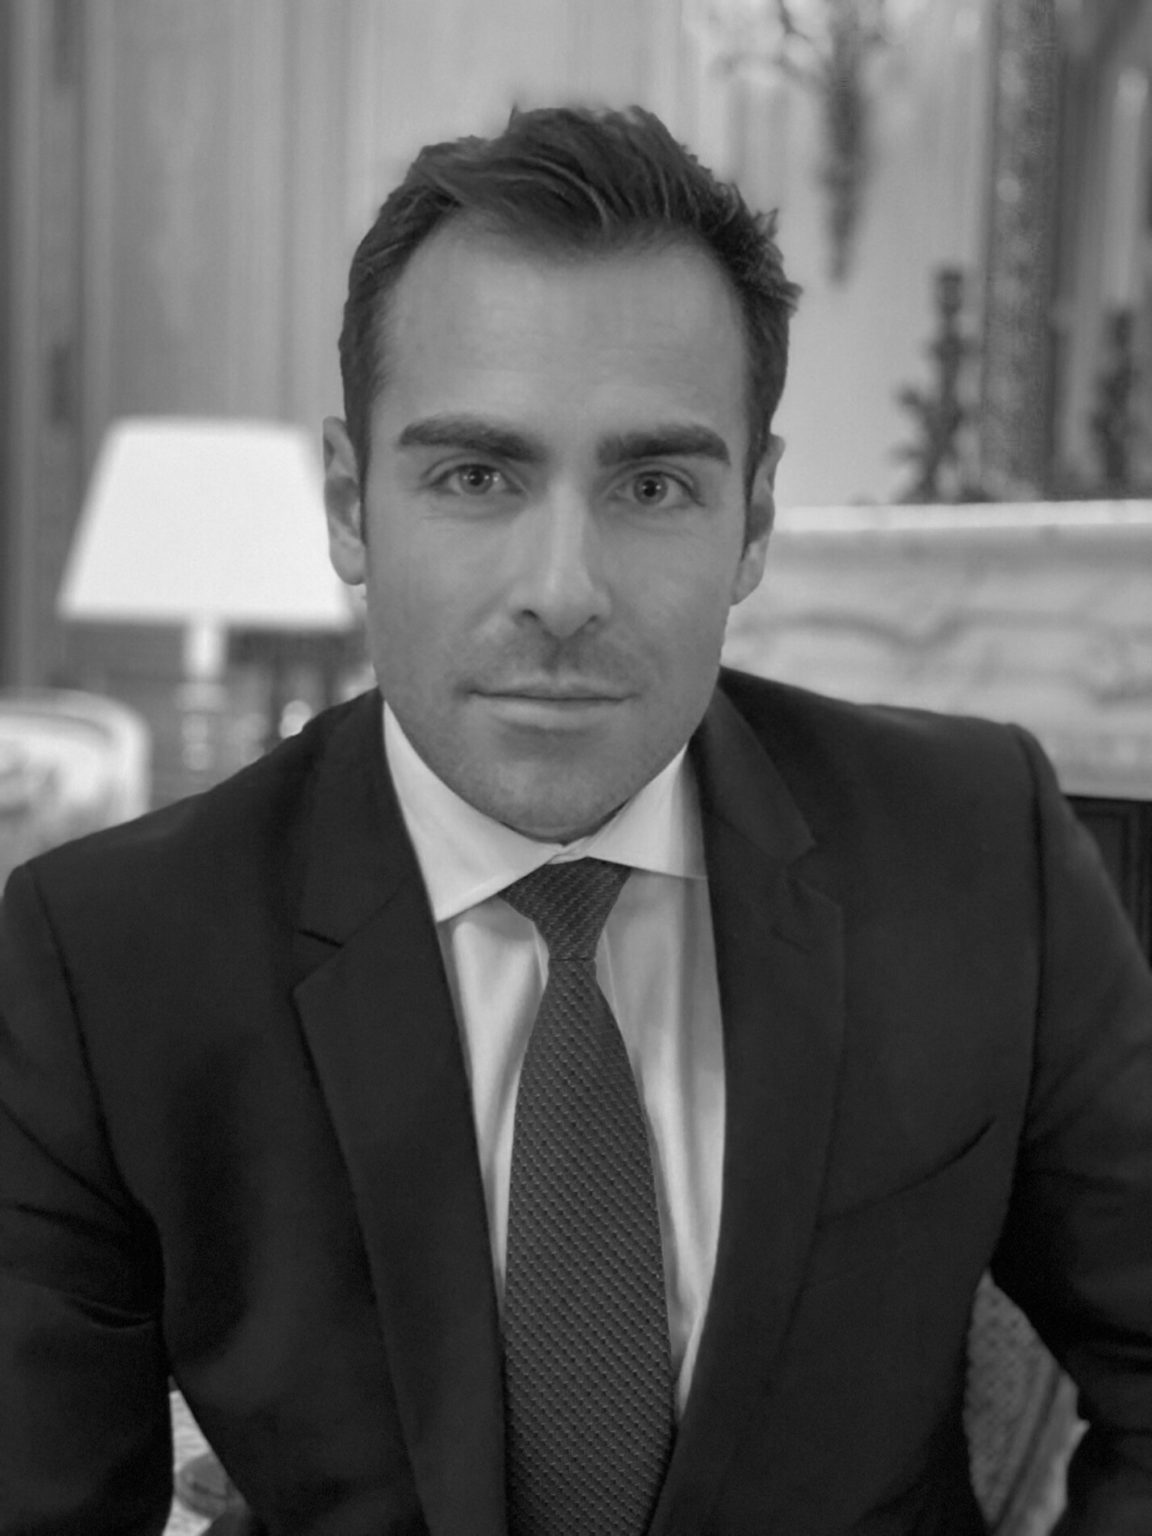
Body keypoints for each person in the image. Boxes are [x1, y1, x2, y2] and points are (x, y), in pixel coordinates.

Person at [2, 104, 1151, 1536]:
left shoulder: (977, 849)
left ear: (756, 518)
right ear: (351, 506)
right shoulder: (106, 956)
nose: (563, 590)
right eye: (477, 477)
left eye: (653, 485)